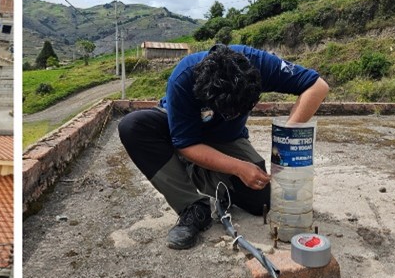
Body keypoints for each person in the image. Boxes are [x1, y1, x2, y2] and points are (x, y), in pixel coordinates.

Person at [117, 43, 330, 249]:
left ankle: (197, 168)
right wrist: (238, 167)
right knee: (132, 126)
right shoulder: (183, 77)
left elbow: (317, 86)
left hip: (227, 139)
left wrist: (287, 138)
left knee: (261, 200)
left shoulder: (259, 63)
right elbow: (186, 143)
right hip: (181, 133)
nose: (235, 115)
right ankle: (192, 207)